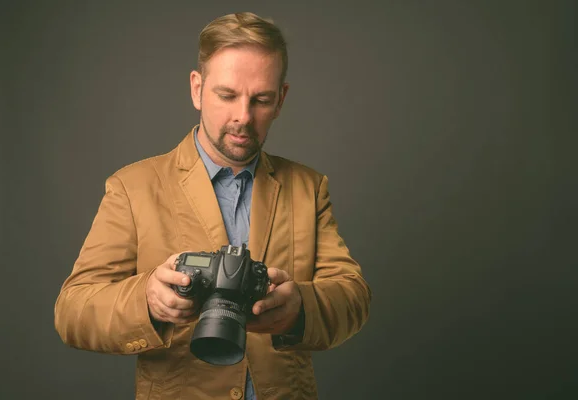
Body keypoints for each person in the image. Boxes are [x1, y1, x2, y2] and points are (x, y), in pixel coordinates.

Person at [54, 12, 371, 400]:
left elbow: (353, 297)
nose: (243, 116)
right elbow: (72, 311)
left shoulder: (308, 187)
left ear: (281, 100)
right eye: (227, 95)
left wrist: (300, 307)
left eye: (261, 100)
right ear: (197, 89)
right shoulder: (132, 187)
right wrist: (147, 300)